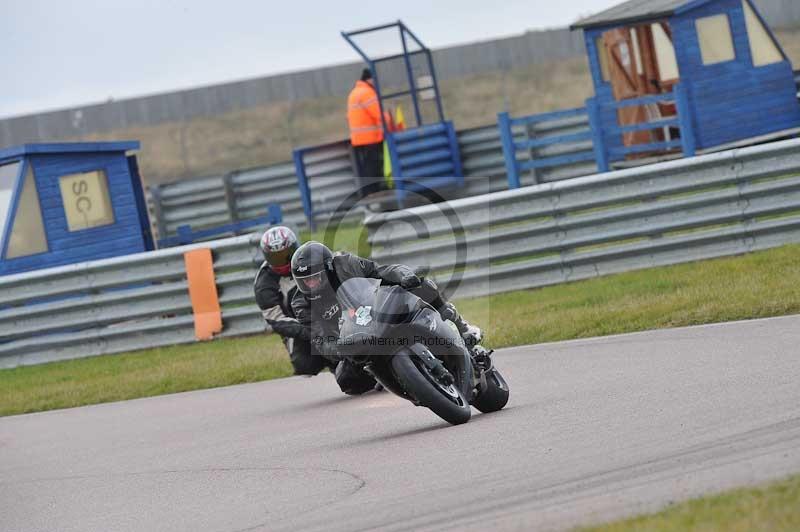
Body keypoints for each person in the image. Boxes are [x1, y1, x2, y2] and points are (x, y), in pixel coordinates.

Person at [289, 241, 485, 395]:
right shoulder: (301, 303)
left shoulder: (345, 264)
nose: (310, 284)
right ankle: (400, 380)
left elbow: (380, 271)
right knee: (346, 380)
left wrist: (404, 275)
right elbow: (319, 337)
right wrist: (338, 349)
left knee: (421, 285)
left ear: (328, 268)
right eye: (305, 281)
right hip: (352, 338)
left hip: (376, 308)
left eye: (314, 277)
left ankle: (462, 327)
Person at [254, 226, 335, 377]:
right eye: (276, 257)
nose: (283, 261)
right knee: (304, 365)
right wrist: (313, 330)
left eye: (286, 255)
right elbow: (276, 320)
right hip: (302, 330)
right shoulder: (264, 284)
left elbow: (338, 268)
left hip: (332, 312)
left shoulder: (312, 256)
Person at [347, 68, 386, 196]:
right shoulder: (367, 93)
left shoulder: (355, 92)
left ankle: (369, 191)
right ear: (370, 79)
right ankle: (373, 191)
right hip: (370, 138)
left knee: (367, 165)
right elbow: (378, 113)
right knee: (373, 165)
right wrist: (390, 122)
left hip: (359, 138)